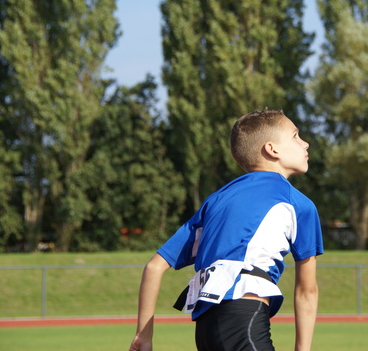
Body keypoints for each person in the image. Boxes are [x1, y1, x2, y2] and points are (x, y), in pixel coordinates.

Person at [129, 109, 324, 351]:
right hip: (242, 321)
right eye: (296, 136)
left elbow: (154, 267)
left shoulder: (215, 200)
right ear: (272, 149)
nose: (305, 143)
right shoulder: (297, 203)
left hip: (205, 332)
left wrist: (143, 336)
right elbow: (307, 291)